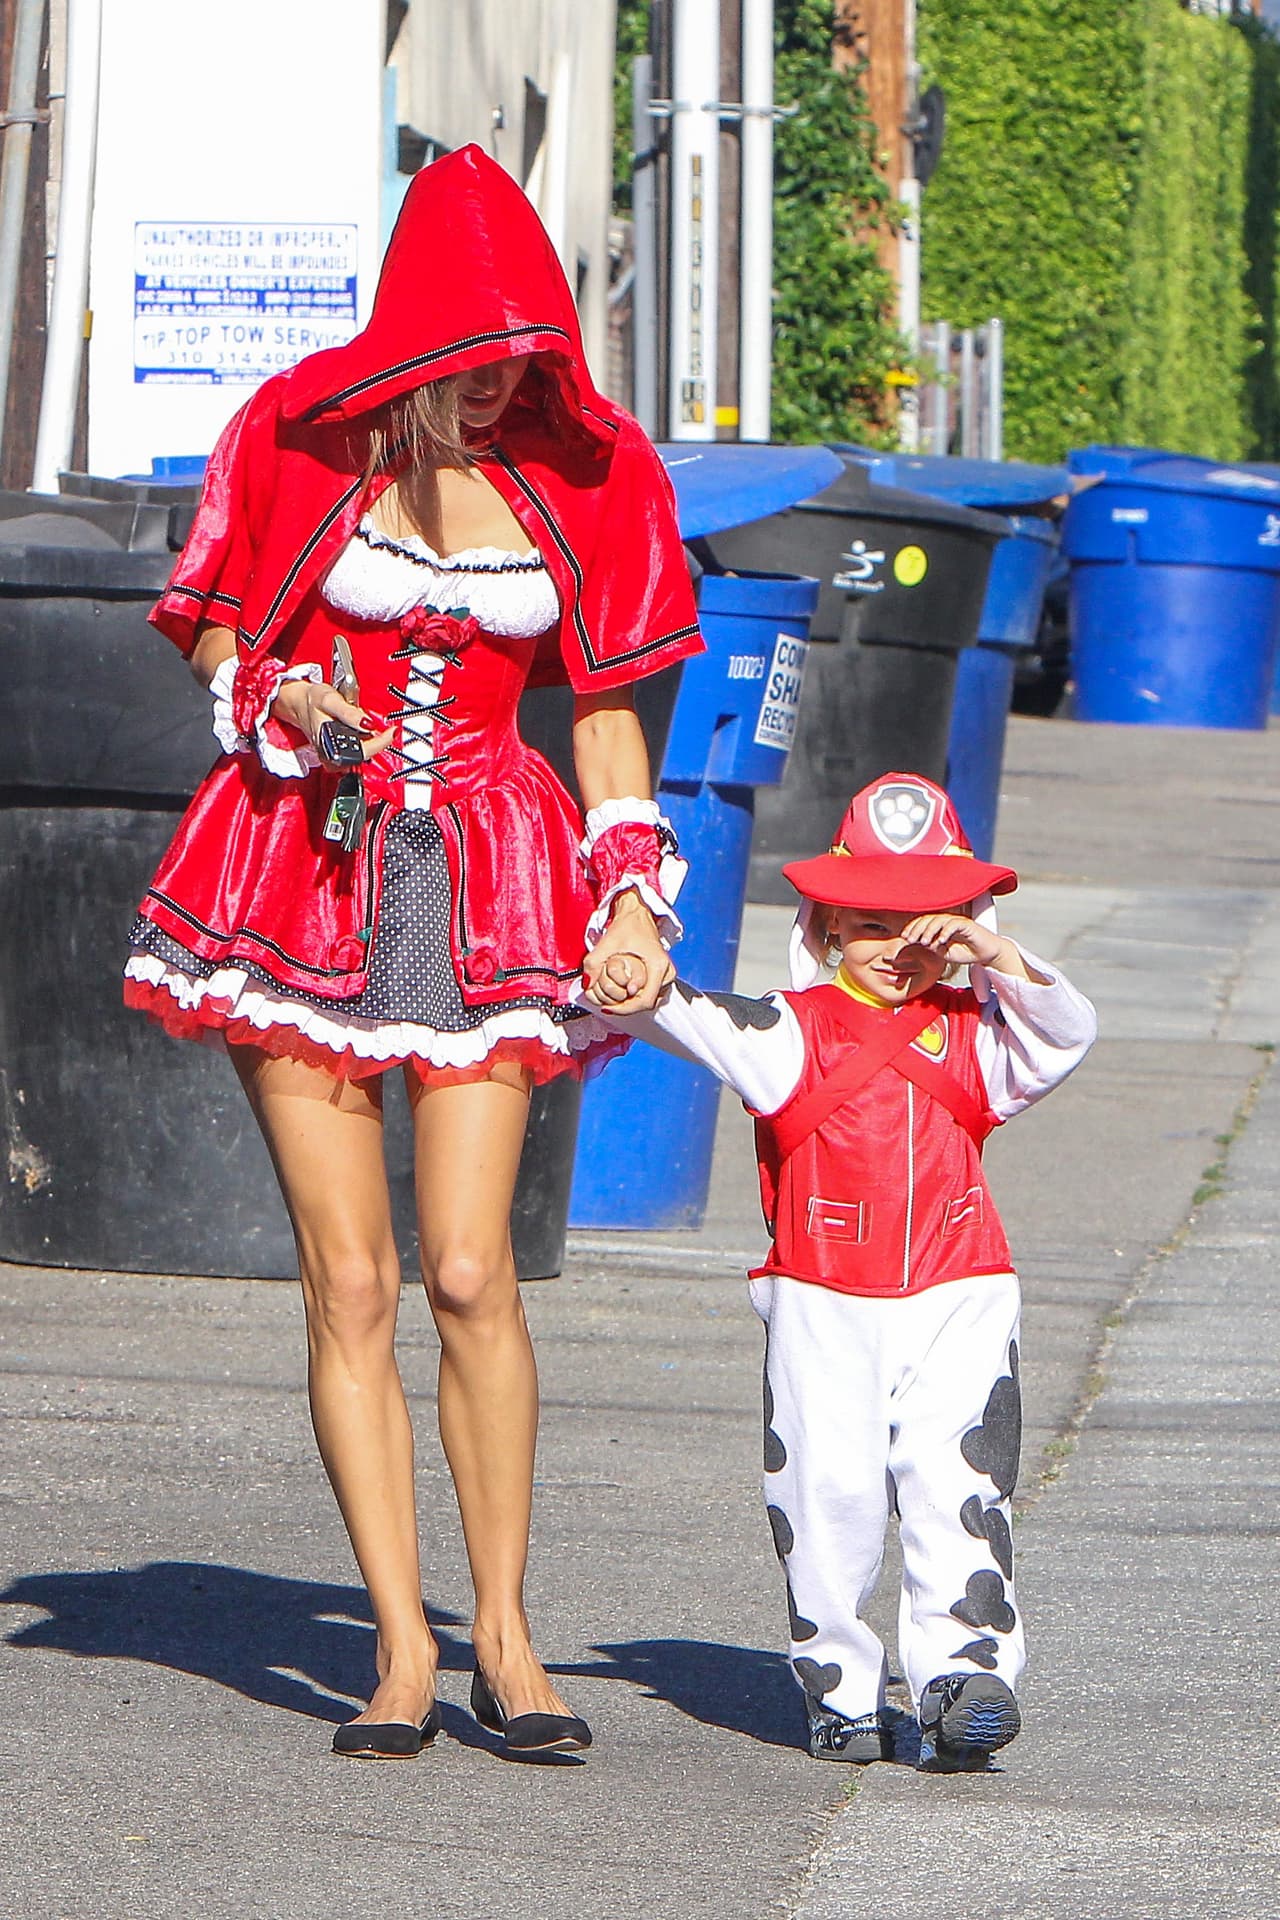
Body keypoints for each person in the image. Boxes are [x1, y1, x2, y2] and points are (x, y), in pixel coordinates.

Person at [124, 144, 701, 1760]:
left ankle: (506, 1637)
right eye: (480, 350)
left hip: (497, 869)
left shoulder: (590, 471)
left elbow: (605, 705)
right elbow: (222, 627)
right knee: (353, 1276)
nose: (507, 377)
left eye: (527, 347)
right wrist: (289, 696)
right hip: (301, 859)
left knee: (467, 1266)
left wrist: (636, 892)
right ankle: (393, 1645)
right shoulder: (300, 438)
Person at [585, 773, 1096, 1770]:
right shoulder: (789, 1030)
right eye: (869, 924)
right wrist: (630, 981)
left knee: (961, 1489)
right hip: (824, 1302)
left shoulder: (980, 1033)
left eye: (928, 923)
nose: (900, 948)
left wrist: (994, 958)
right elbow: (684, 1017)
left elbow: (1065, 1034)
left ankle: (963, 1677)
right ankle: (839, 1686)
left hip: (958, 1295)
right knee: (827, 1499)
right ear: (822, 927)